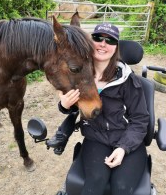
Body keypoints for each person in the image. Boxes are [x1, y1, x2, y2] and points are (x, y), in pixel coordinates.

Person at [47, 23, 150, 195]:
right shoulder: (79, 74)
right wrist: (64, 105)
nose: (103, 43)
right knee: (94, 184)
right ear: (90, 41)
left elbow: (140, 120)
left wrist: (123, 148)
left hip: (128, 140)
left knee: (122, 188)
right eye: (98, 38)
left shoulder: (128, 80)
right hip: (96, 139)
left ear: (116, 47)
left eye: (110, 40)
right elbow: (74, 107)